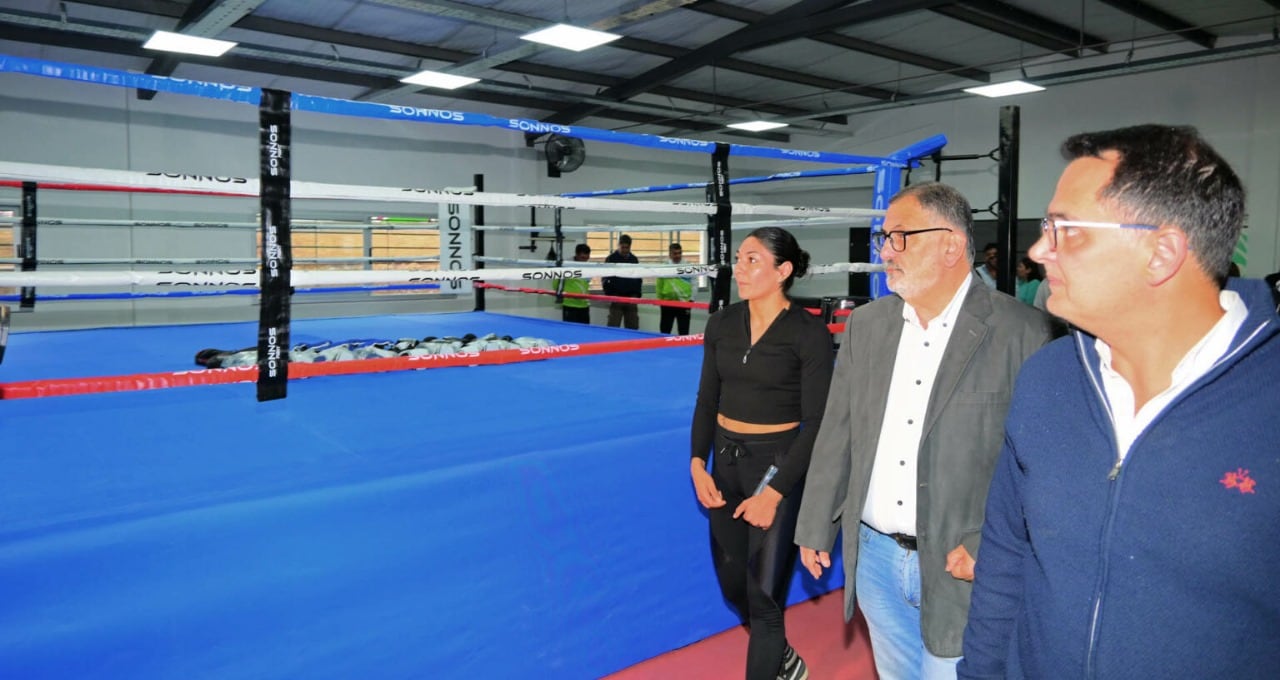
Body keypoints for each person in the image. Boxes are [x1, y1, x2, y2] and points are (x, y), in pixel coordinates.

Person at [959, 125, 1280, 679]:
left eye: (1067, 231)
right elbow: (1007, 556)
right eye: (1045, 228)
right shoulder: (1048, 379)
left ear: (1161, 252)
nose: (1038, 251)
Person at [794, 182, 1054, 680]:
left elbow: (1042, 462)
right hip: (874, 558)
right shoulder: (868, 326)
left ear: (951, 244)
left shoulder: (1022, 332)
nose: (886, 252)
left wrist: (994, 545)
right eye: (884, 239)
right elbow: (839, 431)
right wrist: (816, 522)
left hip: (964, 565)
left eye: (900, 238)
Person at [690, 227, 833, 680]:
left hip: (779, 465)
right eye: (739, 259)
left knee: (766, 601)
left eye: (753, 260)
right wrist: (697, 463)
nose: (741, 268)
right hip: (725, 464)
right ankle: (784, 659)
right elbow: (706, 401)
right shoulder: (721, 323)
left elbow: (818, 423)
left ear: (783, 271)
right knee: (736, 588)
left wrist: (776, 490)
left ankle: (771, 662)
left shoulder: (807, 334)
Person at [603, 234, 641, 329]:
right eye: (622, 247)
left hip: (631, 298)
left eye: (626, 248)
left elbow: (639, 277)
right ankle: (612, 344)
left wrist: (636, 294)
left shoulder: (634, 259)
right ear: (618, 245)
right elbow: (605, 278)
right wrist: (610, 294)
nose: (624, 250)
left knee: (633, 327)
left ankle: (632, 344)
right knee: (613, 327)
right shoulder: (611, 259)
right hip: (616, 298)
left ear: (630, 247)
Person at [656, 242, 694, 335]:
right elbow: (659, 284)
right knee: (665, 330)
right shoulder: (664, 267)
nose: (677, 255)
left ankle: (683, 349)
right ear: (670, 254)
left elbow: (694, 283)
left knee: (684, 331)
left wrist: (692, 299)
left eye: (679, 253)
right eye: (675, 253)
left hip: (684, 302)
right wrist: (660, 299)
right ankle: (663, 349)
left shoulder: (688, 266)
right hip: (667, 302)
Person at [557, 243, 592, 324]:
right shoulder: (566, 265)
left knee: (584, 332)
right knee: (570, 332)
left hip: (584, 305)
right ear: (576, 254)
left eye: (587, 258)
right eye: (583, 258)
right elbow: (557, 283)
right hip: (570, 305)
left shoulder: (589, 266)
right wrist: (560, 295)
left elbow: (586, 283)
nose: (585, 260)